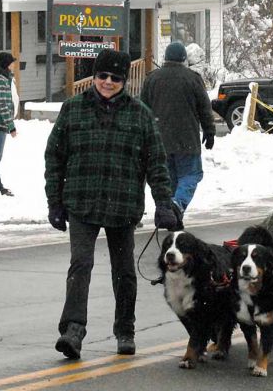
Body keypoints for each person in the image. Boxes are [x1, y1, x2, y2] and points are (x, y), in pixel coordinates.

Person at [44, 49, 179, 360]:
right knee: (81, 265)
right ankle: (72, 330)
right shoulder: (73, 109)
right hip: (82, 201)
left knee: (124, 271)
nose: (108, 82)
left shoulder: (141, 114)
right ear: (94, 76)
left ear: (123, 81)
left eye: (115, 77)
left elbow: (156, 162)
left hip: (123, 204)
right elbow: (55, 156)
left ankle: (125, 330)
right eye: (102, 75)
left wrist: (164, 203)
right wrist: (54, 201)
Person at [140, 41, 215, 222]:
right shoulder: (193, 78)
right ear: (184, 58)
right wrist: (209, 130)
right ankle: (177, 205)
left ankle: (166, 212)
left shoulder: (152, 79)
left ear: (165, 57)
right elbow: (204, 107)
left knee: (166, 181)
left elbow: (142, 109)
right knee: (191, 175)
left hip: (159, 141)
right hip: (187, 139)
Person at [0, 52, 18, 197]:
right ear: (5, 64)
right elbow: (1, 104)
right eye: (11, 62)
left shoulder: (4, 78)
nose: (13, 65)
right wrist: (11, 126)